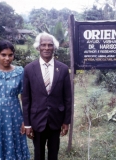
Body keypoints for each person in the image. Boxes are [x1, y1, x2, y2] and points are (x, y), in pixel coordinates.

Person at [22, 32, 72, 160]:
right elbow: (26, 99)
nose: (46, 48)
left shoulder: (63, 69)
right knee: (38, 154)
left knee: (53, 153)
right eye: (43, 45)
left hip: (56, 119)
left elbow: (67, 98)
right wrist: (27, 124)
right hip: (37, 119)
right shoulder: (29, 69)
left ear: (54, 47)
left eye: (50, 45)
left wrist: (66, 121)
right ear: (38, 47)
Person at [0, 40, 30, 159]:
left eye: (10, 55)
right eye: (3, 55)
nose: (7, 58)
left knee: (14, 142)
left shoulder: (20, 72)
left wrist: (25, 121)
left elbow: (24, 98)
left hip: (15, 115)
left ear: (13, 55)